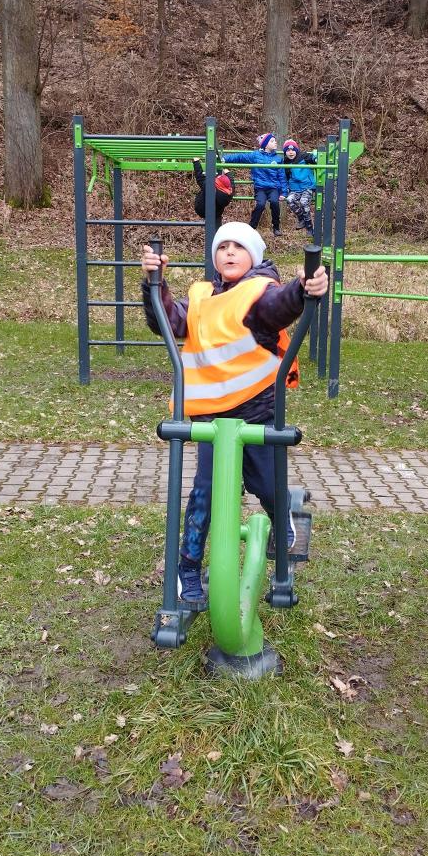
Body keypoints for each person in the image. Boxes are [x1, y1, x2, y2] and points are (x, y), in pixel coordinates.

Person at [141, 221, 329, 604]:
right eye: (222, 246)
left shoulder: (258, 293)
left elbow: (280, 306)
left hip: (256, 414)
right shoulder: (202, 297)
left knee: (266, 484)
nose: (229, 251)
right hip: (211, 422)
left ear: (253, 256)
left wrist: (302, 288)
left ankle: (282, 516)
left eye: (238, 246)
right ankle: (187, 569)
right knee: (204, 494)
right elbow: (167, 320)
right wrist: (153, 284)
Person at [221, 133, 287, 236]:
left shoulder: (278, 159)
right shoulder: (255, 155)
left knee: (275, 202)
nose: (275, 142)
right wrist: (225, 159)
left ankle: (276, 227)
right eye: (272, 141)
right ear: (265, 144)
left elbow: (282, 176)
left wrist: (283, 192)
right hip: (260, 187)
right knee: (260, 204)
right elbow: (240, 157)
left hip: (273, 187)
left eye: (275, 141)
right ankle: (252, 227)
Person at [282, 139, 317, 237]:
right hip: (295, 189)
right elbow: (286, 177)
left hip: (307, 186)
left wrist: (316, 158)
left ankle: (309, 227)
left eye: (293, 150)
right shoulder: (286, 162)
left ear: (296, 150)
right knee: (289, 199)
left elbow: (312, 158)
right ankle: (301, 218)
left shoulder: (303, 156)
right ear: (285, 152)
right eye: (288, 150)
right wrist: (286, 190)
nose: (291, 152)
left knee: (303, 202)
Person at [192, 158, 235, 226]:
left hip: (202, 210)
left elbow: (200, 178)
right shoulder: (229, 192)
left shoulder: (210, 188)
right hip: (216, 213)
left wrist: (196, 162)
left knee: (205, 187)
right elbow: (231, 183)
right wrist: (229, 174)